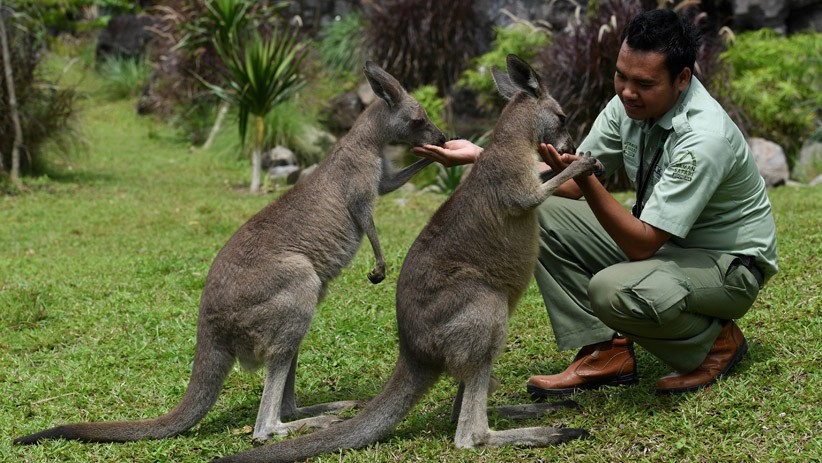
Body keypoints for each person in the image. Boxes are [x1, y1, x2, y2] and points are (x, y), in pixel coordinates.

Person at [412, 8, 778, 395]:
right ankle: (607, 350)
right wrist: (480, 154)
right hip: (669, 246)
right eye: (621, 76)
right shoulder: (630, 105)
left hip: (727, 266)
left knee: (612, 289)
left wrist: (583, 176)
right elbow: (567, 182)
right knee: (543, 208)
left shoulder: (704, 138)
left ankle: (714, 345)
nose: (626, 91)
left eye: (643, 82)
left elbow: (641, 243)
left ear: (682, 78)